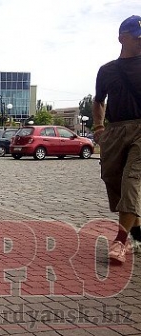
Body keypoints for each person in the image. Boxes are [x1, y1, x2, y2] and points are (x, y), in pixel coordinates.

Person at [93, 15, 141, 264]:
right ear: (123, 38)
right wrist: (99, 126)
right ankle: (138, 234)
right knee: (113, 179)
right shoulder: (107, 70)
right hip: (115, 130)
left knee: (132, 180)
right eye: (137, 38)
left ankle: (120, 242)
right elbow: (99, 99)